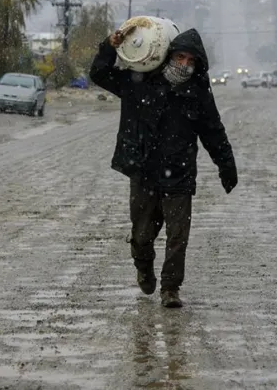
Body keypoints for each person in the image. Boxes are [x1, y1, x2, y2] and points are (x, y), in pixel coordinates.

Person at [90, 25, 238, 309]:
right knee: (142, 235)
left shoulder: (197, 92)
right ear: (169, 56)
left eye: (190, 61)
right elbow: (99, 74)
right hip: (144, 171)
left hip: (180, 173)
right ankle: (144, 267)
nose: (184, 65)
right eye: (180, 58)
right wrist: (109, 46)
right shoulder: (139, 82)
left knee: (178, 235)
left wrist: (226, 167)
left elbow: (213, 131)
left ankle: (171, 288)